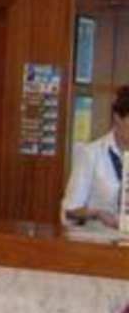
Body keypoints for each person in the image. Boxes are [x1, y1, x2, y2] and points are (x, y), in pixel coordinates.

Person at [62, 85, 129, 227]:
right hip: (99, 237)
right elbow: (69, 210)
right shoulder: (91, 154)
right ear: (117, 117)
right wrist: (97, 214)